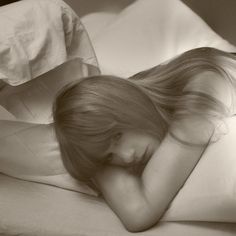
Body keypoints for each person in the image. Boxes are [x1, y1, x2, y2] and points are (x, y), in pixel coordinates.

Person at [53, 47, 236, 232]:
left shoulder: (204, 83)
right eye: (109, 157)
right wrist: (90, 159)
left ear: (130, 102)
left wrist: (95, 164)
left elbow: (139, 213)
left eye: (118, 136)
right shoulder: (142, 93)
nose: (126, 157)